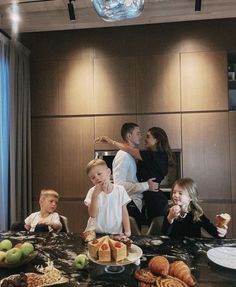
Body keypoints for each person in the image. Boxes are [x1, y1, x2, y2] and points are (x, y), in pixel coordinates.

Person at [95, 123, 171, 227]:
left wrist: (111, 141)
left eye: (147, 136)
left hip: (150, 202)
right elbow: (119, 185)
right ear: (129, 136)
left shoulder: (154, 155)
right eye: (138, 133)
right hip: (131, 203)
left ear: (156, 140)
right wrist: (146, 186)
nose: (142, 137)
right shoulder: (124, 156)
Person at [162, 178, 228, 238]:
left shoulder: (197, 213)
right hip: (173, 247)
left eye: (180, 193)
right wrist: (170, 218)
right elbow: (164, 234)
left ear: (190, 197)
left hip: (192, 249)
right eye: (174, 192)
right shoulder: (169, 210)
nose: (176, 195)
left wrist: (222, 233)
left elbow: (215, 234)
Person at [84, 159, 131, 237]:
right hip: (95, 233)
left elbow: (124, 212)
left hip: (115, 233)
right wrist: (95, 195)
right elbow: (92, 214)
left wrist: (127, 231)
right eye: (93, 178)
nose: (97, 178)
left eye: (99, 174)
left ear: (109, 172)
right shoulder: (92, 192)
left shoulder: (120, 190)